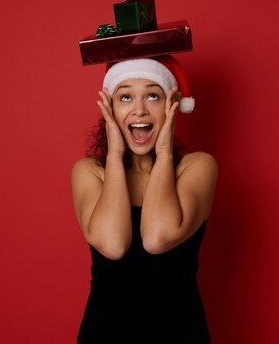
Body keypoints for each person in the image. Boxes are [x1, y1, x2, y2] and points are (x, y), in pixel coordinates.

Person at [71, 56, 218, 343]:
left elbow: (156, 238)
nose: (139, 110)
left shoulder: (197, 167)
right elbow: (113, 245)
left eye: (152, 95)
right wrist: (114, 154)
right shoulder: (90, 172)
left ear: (171, 105)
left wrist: (164, 153)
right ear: (110, 108)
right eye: (125, 97)